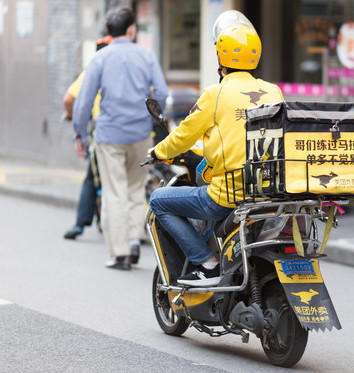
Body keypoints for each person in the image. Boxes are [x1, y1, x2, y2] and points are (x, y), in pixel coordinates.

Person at [147, 11, 284, 287]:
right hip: (267, 188)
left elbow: (183, 136)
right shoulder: (273, 91)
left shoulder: (215, 93)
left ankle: (206, 263)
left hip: (227, 194)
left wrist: (157, 153)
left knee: (159, 200)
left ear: (221, 58)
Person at [73, 6, 168, 270]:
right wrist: (153, 119)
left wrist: (79, 132)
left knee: (114, 192)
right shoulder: (146, 56)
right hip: (140, 134)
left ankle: (120, 253)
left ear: (108, 32)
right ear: (131, 30)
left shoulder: (100, 59)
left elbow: (83, 102)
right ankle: (135, 240)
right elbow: (160, 92)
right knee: (137, 189)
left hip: (109, 136)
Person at [63, 35, 112, 240]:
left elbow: (70, 99)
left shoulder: (91, 70)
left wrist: (73, 119)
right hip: (134, 133)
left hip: (102, 133)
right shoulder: (128, 68)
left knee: (92, 178)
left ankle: (81, 224)